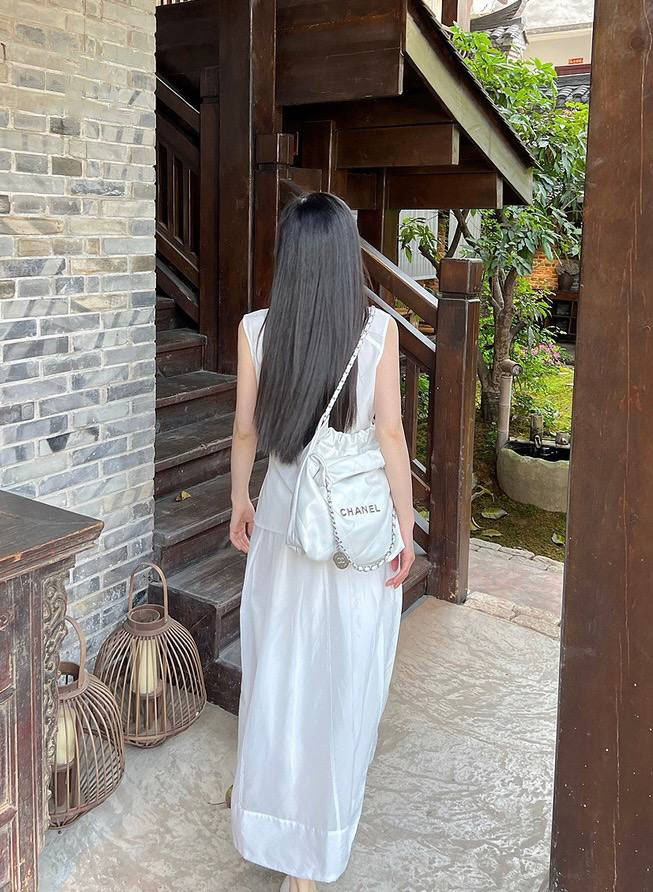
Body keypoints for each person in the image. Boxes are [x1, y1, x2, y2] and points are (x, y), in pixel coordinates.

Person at [229, 192, 415, 891]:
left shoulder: (255, 330)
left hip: (282, 531)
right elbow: (390, 434)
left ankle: (274, 826)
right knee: (339, 686)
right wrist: (405, 526)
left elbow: (246, 431)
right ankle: (313, 852)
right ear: (345, 258)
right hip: (352, 539)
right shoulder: (377, 333)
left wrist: (239, 499)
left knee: (279, 680)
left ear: (290, 257)